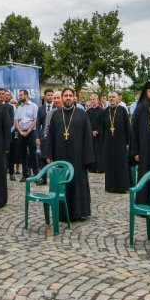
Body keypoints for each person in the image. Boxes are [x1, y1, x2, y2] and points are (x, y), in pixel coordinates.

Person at [42, 87, 95, 220]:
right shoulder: (56, 115)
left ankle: (79, 212)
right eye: (65, 95)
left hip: (78, 157)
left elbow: (88, 137)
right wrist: (48, 154)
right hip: (60, 155)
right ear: (62, 98)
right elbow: (50, 137)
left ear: (74, 97)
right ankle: (62, 213)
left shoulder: (82, 114)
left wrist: (87, 158)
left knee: (78, 184)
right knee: (62, 184)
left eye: (70, 95)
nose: (68, 98)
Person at [101, 91, 132, 193]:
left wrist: (128, 142)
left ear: (118, 98)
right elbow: (103, 128)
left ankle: (122, 187)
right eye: (109, 97)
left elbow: (128, 127)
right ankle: (111, 187)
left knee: (121, 165)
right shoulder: (105, 112)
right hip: (108, 143)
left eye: (113, 97)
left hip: (121, 142)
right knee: (110, 165)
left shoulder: (122, 110)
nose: (111, 99)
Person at [13, 90, 38, 180]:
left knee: (33, 153)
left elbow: (35, 120)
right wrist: (20, 131)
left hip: (31, 132)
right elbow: (16, 121)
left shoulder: (34, 106)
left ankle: (36, 174)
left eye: (21, 95)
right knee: (23, 154)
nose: (19, 97)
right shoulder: (19, 107)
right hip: (21, 133)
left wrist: (28, 131)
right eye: (19, 95)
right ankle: (25, 174)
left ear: (26, 95)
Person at [86, 93, 106, 175]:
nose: (92, 101)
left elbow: (103, 123)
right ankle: (92, 168)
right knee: (91, 151)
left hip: (99, 135)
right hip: (90, 134)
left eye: (94, 99)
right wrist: (91, 131)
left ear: (97, 100)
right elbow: (86, 123)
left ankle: (100, 167)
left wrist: (97, 131)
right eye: (91, 99)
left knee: (99, 152)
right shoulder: (87, 112)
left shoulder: (102, 111)